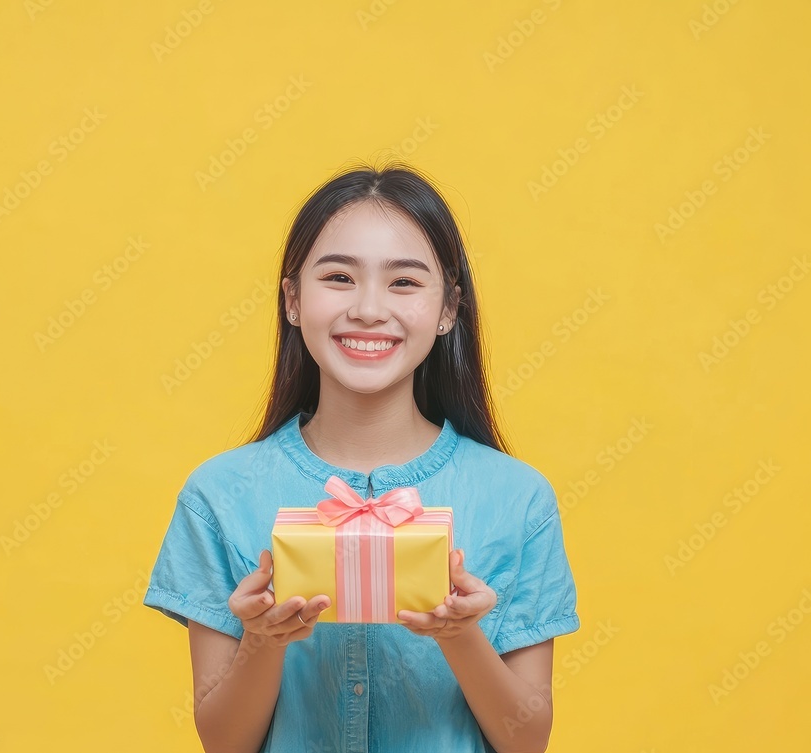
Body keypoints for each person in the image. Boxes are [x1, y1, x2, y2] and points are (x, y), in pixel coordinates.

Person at [144, 161, 580, 753]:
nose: (370, 309)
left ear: (448, 309)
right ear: (293, 300)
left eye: (404, 282)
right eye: (339, 278)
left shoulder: (520, 500)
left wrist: (460, 635)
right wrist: (263, 642)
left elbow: (526, 742)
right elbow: (225, 743)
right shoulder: (220, 495)